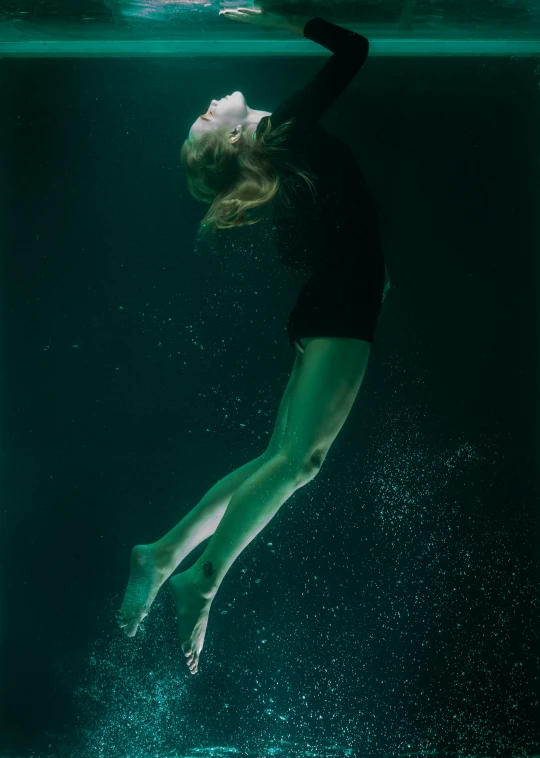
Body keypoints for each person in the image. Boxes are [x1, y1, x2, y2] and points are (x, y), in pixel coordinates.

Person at [118, 8, 390, 675]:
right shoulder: (284, 128)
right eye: (207, 120)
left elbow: (328, 233)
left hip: (333, 304)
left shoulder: (283, 148)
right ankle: (201, 578)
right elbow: (354, 49)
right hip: (340, 305)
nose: (210, 103)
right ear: (235, 139)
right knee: (297, 462)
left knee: (286, 458)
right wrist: (285, 16)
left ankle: (164, 555)